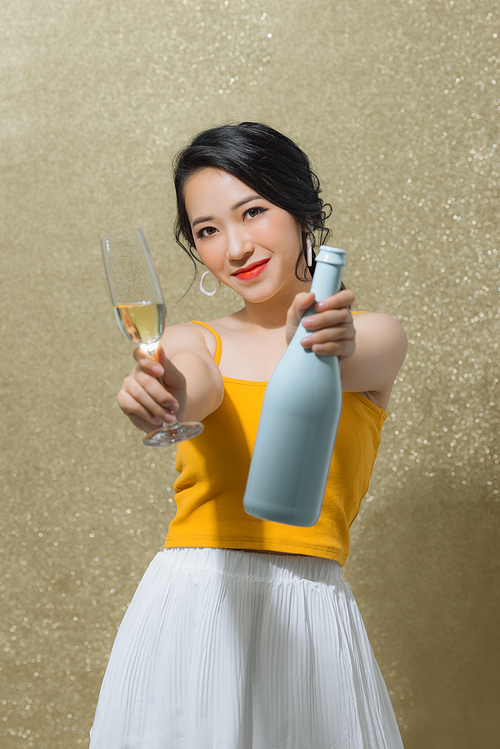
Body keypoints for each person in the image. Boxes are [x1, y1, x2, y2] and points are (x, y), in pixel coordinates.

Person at [89, 122, 408, 749]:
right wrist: (159, 393)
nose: (235, 247)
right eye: (208, 230)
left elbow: (335, 354)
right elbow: (192, 385)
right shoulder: (194, 340)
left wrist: (306, 342)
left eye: (253, 212)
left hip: (311, 610)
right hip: (197, 608)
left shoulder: (373, 337)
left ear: (300, 212)